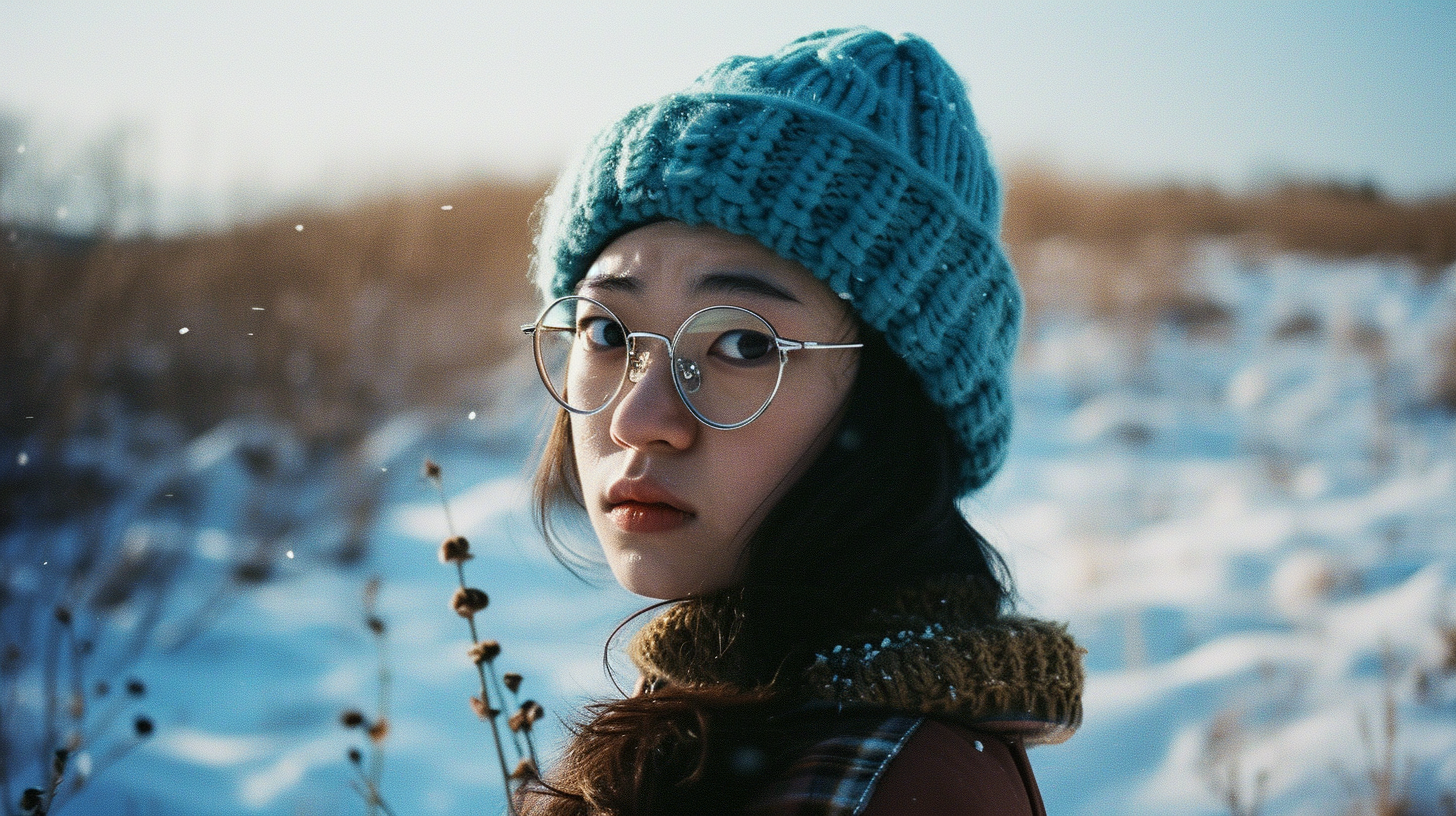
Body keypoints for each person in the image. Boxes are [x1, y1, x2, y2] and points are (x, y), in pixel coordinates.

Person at [518, 27, 1084, 816]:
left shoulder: (887, 790)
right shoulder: (741, 698)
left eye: (743, 345)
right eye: (608, 333)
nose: (640, 420)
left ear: (889, 407)